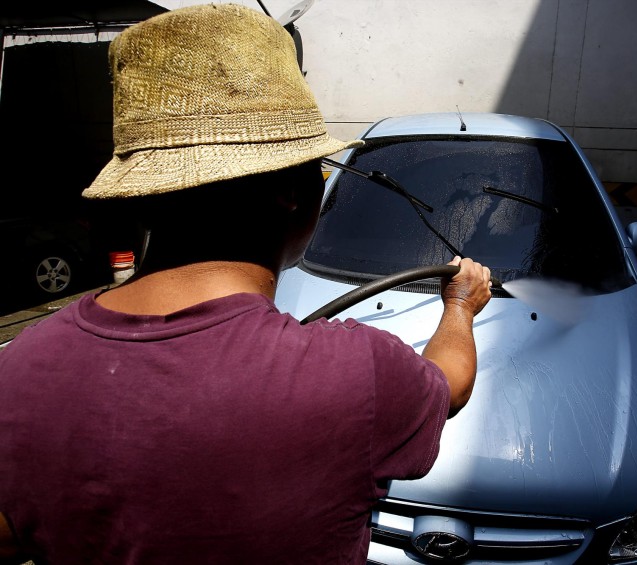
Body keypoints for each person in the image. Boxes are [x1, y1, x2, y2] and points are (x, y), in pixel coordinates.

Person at [0, 4, 492, 564]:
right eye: (319, 171)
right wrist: (460, 306)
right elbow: (448, 385)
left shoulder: (20, 369)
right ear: (292, 194)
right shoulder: (356, 372)